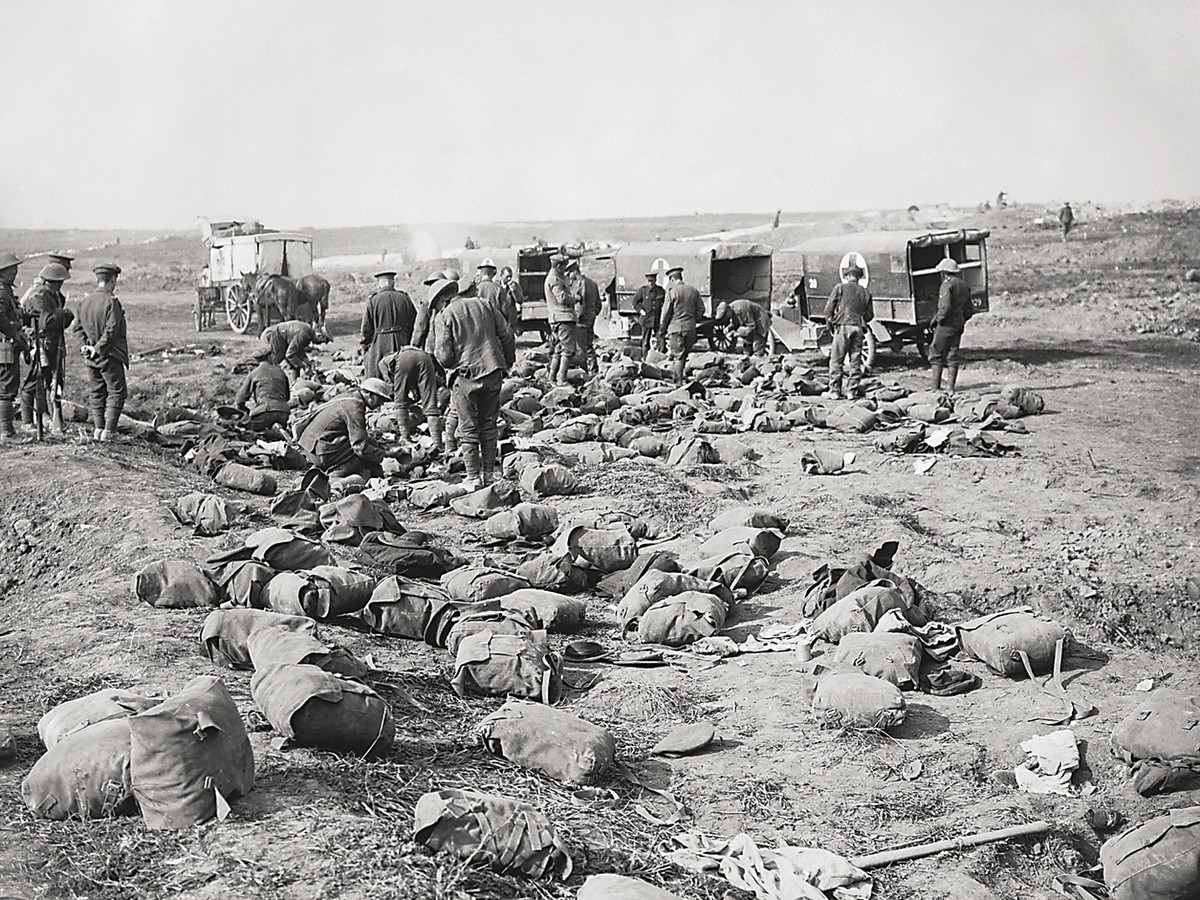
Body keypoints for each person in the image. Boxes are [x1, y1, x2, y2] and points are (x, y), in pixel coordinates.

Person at [434, 278, 516, 489]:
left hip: (466, 378)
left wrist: (455, 364)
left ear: (443, 297)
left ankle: (473, 477)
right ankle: (489, 475)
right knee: (489, 426)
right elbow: (507, 335)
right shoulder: (484, 305)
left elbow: (443, 357)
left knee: (468, 428)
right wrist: (506, 361)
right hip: (492, 371)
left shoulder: (445, 315)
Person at [294, 377, 397, 478]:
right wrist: (385, 456)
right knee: (359, 455)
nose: (382, 403)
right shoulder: (355, 407)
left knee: (371, 444)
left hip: (310, 447)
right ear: (370, 395)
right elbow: (360, 447)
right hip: (319, 452)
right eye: (381, 399)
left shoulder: (348, 396)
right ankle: (334, 476)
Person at [74, 263, 129, 441]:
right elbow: (112, 330)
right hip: (109, 356)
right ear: (112, 280)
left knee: (97, 393)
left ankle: (98, 430)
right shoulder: (111, 302)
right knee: (117, 392)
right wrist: (98, 349)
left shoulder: (85, 302)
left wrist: (86, 347)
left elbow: (77, 328)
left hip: (91, 357)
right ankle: (109, 432)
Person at [20, 262, 75, 432]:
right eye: (57, 282)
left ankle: (50, 419)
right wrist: (63, 314)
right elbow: (47, 322)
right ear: (50, 281)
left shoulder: (56, 296)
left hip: (54, 344)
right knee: (32, 382)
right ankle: (28, 422)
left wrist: (63, 316)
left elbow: (59, 323)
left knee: (55, 383)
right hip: (40, 344)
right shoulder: (39, 296)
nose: (60, 286)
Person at [822, 265, 873, 400]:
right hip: (858, 327)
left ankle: (834, 391)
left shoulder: (840, 288)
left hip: (843, 326)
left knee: (836, 359)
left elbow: (828, 311)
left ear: (847, 276)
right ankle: (851, 391)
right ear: (859, 277)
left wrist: (831, 325)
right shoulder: (865, 292)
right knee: (855, 361)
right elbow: (870, 315)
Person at [379, 345, 443, 449]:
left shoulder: (384, 362)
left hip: (405, 358)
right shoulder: (393, 360)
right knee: (431, 406)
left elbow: (393, 385)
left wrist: (396, 392)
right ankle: (438, 444)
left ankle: (405, 438)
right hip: (425, 357)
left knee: (400, 403)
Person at [359, 269, 415, 379]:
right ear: (393, 282)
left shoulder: (373, 301)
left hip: (380, 344)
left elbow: (366, 328)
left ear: (379, 284)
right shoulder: (405, 298)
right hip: (402, 342)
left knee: (378, 375)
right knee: (403, 375)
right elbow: (414, 323)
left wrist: (366, 346)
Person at [929, 258, 973, 392]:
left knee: (936, 352)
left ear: (944, 273)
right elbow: (970, 309)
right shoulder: (964, 285)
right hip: (958, 324)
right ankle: (950, 388)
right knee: (952, 354)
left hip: (946, 324)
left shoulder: (947, 285)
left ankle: (935, 387)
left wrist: (938, 320)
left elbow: (945, 307)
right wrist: (961, 319)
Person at [0, 252, 29, 442]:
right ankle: (7, 432)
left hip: (8, 345)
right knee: (6, 388)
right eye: (12, 269)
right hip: (5, 347)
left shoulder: (6, 290)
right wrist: (14, 334)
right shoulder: (2, 291)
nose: (16, 272)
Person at [659, 266, 705, 383]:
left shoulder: (672, 293)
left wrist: (662, 329)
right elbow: (701, 309)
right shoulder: (693, 291)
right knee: (684, 355)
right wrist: (694, 319)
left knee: (678, 356)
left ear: (672, 279)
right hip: (690, 328)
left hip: (675, 328)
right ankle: (680, 377)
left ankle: (678, 383)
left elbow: (665, 314)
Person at [234, 345, 291, 432]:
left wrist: (245, 411)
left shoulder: (254, 373)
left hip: (265, 411)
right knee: (277, 434)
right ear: (270, 357)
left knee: (249, 431)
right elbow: (287, 397)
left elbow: (239, 399)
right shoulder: (281, 372)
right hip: (283, 412)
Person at [544, 253, 578, 384]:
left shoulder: (554, 278)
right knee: (568, 350)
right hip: (563, 317)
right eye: (564, 266)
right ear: (558, 266)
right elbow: (562, 298)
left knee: (558, 349)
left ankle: (552, 377)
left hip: (556, 318)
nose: (565, 269)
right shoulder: (555, 279)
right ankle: (561, 378)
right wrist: (576, 298)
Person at [260, 319, 329, 382]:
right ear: (319, 336)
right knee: (274, 362)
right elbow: (290, 354)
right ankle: (265, 382)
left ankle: (294, 384)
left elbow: (298, 351)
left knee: (296, 362)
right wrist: (304, 366)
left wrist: (308, 364)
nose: (319, 344)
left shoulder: (307, 333)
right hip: (274, 335)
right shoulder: (304, 334)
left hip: (280, 337)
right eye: (321, 341)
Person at [413, 277, 459, 354]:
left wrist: (414, 345)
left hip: (431, 347)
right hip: (449, 347)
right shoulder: (452, 302)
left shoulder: (426, 302)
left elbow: (420, 326)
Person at [573, 263, 603, 373]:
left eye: (570, 273)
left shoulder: (580, 284)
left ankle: (583, 370)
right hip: (590, 319)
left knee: (581, 347)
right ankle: (594, 369)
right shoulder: (593, 283)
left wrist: (576, 318)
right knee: (589, 345)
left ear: (575, 272)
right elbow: (598, 303)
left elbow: (581, 304)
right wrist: (594, 314)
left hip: (582, 320)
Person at [631, 271, 665, 356]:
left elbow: (665, 303)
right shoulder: (642, 291)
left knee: (660, 339)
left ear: (655, 280)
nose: (650, 283)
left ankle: (661, 356)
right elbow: (634, 302)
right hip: (646, 319)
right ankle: (645, 357)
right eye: (649, 281)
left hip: (657, 319)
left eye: (652, 281)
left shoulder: (660, 291)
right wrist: (640, 311)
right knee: (645, 341)